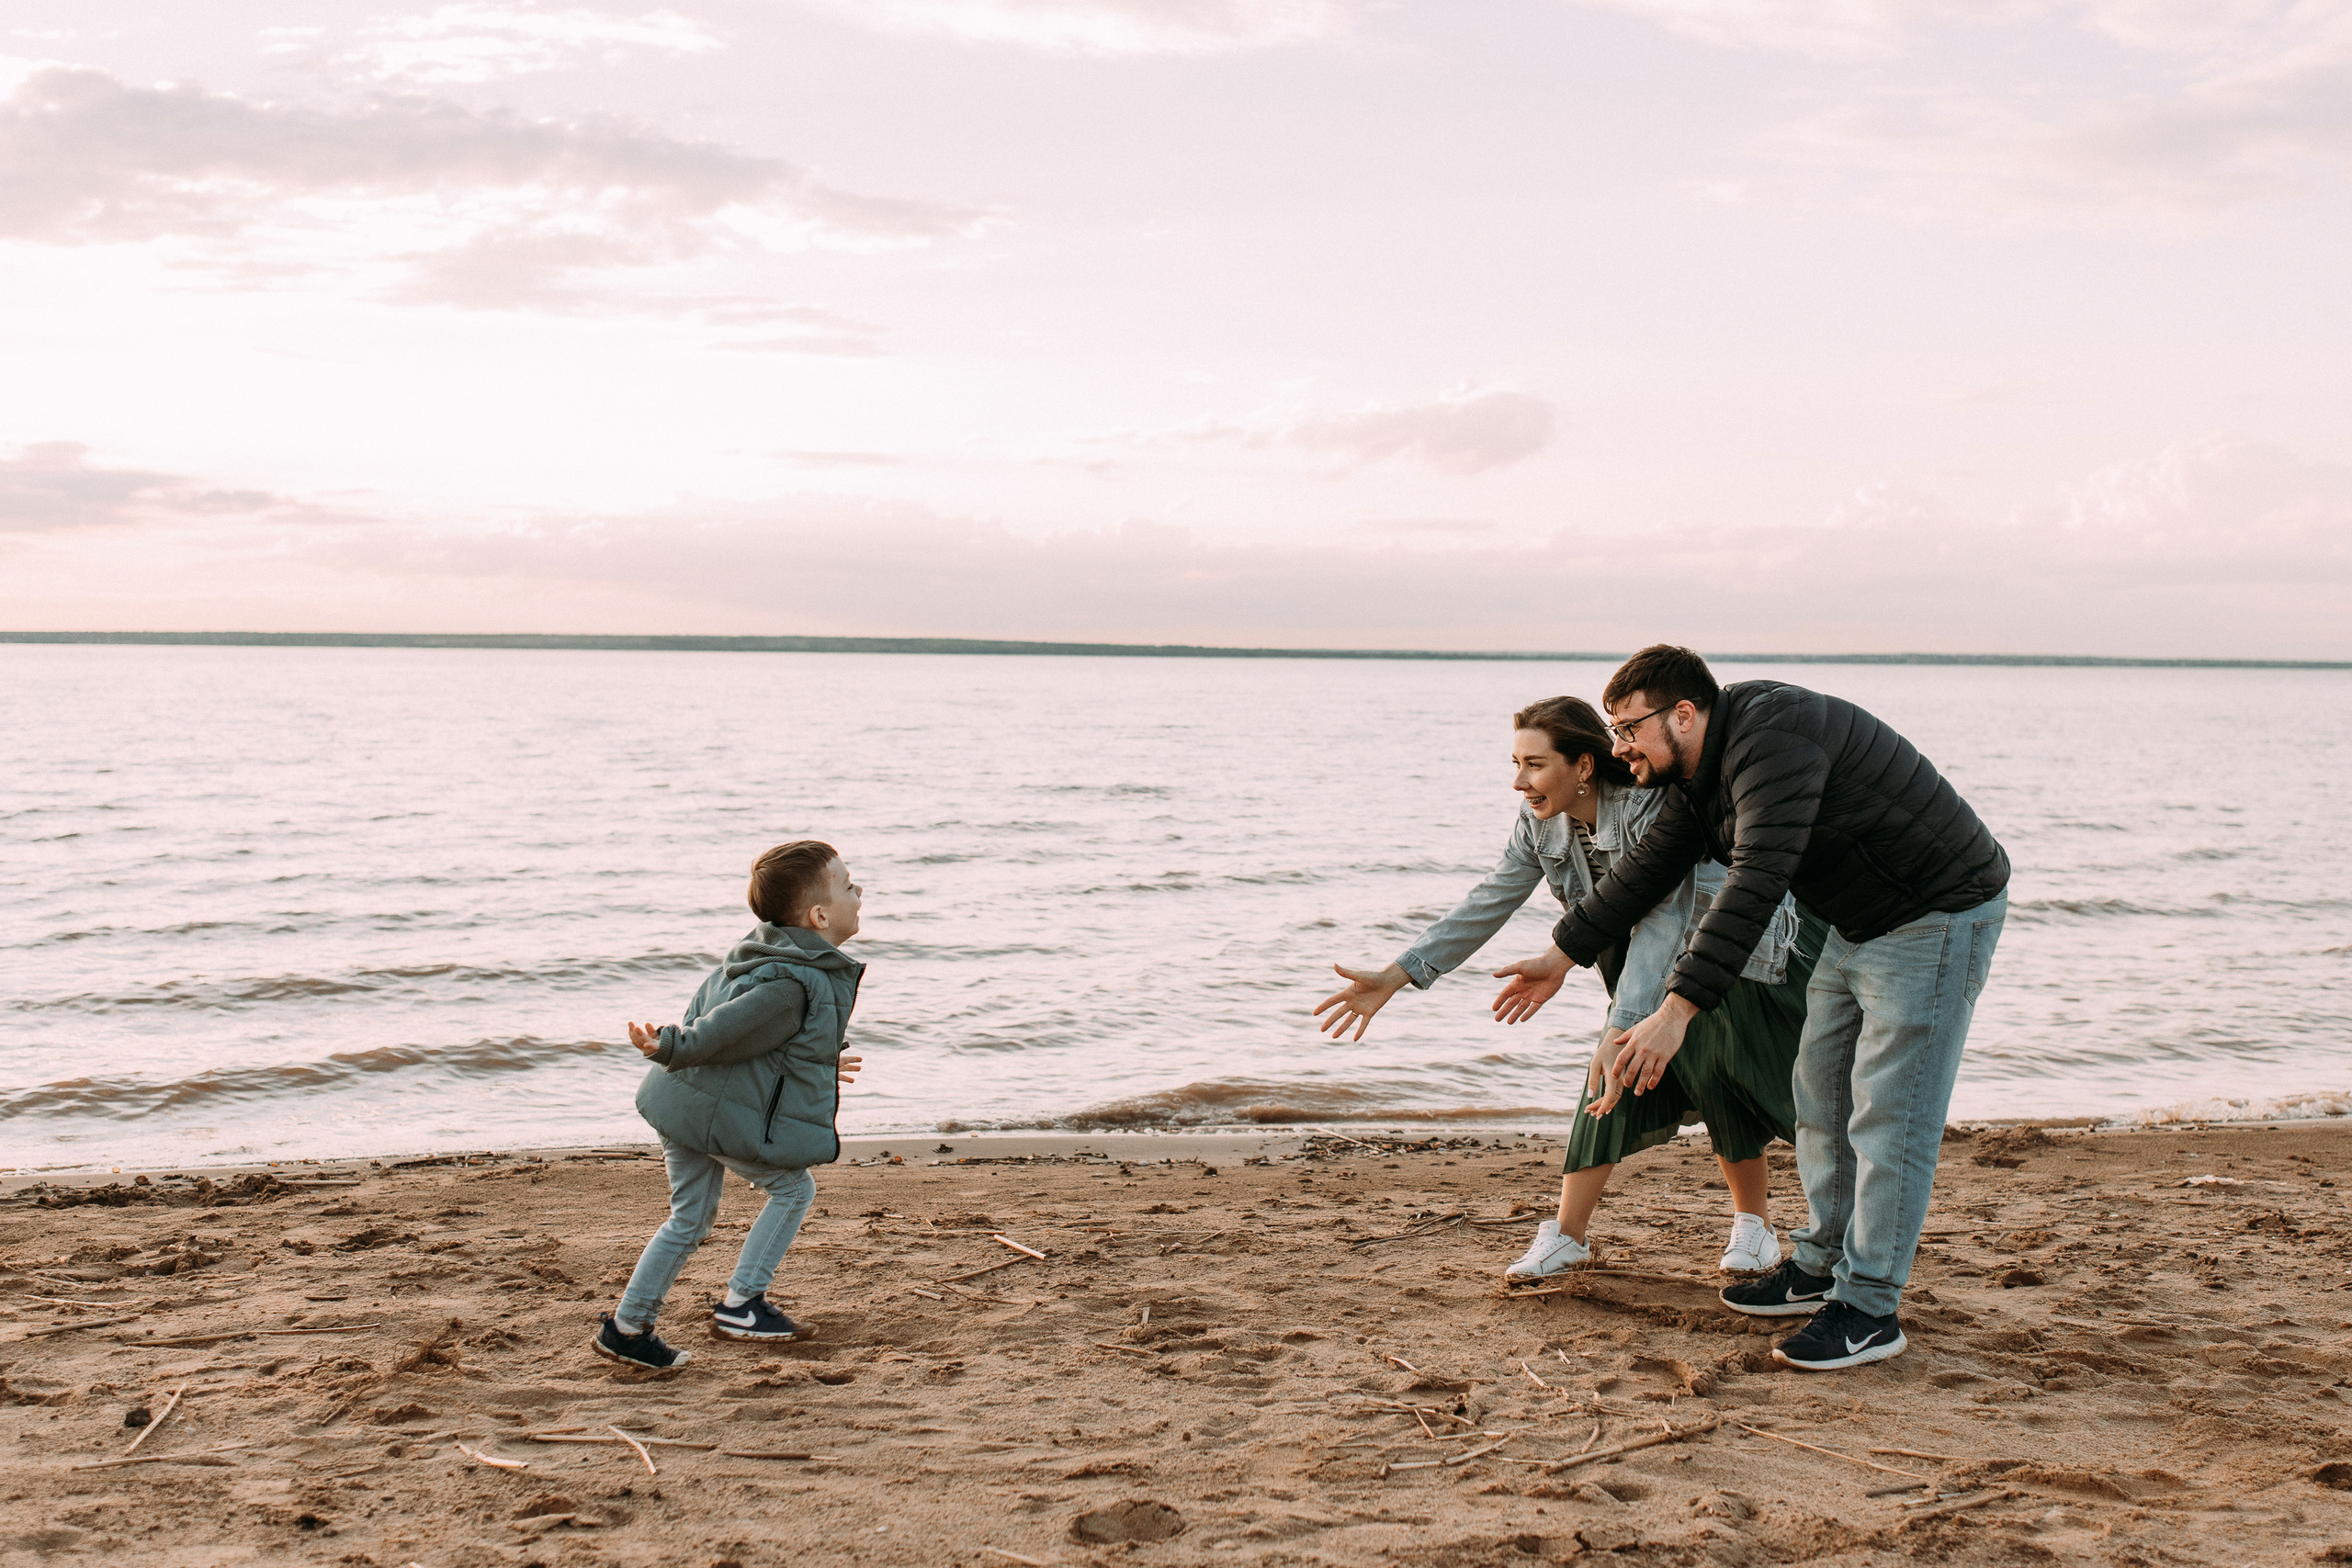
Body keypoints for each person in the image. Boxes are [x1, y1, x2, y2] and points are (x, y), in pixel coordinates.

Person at [1516, 646, 2008, 1372]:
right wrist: (1561, 954)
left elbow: (1756, 880)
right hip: (1858, 918)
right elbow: (1650, 866)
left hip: (1936, 912)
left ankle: (1870, 1308)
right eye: (1614, 731)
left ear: (1683, 714)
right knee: (1820, 1089)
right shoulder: (1699, 772)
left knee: (1889, 1115)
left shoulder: (1773, 742)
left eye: (1627, 729)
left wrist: (1676, 1010)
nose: (1618, 747)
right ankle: (1819, 1266)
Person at [1313, 695, 1826, 1283]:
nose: (1518, 782)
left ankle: (1753, 1228)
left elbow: (1663, 915)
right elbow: (1490, 900)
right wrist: (1398, 974)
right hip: (1653, 965)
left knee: (1725, 1082)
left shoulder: (1649, 807)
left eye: (1533, 764)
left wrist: (1619, 1022)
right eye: (1515, 764)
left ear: (1583, 765)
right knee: (1612, 1081)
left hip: (1745, 955)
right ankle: (1569, 1237)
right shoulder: (1541, 823)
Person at [592, 840, 867, 1372]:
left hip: (683, 1105)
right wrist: (670, 1045)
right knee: (792, 1188)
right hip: (704, 1107)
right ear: (819, 914)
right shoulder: (792, 981)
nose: (860, 892)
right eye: (849, 885)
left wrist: (819, 1064)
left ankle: (627, 1328)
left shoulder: (763, 953)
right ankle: (742, 1303)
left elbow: (763, 1043)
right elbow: (722, 1031)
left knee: (689, 1218)